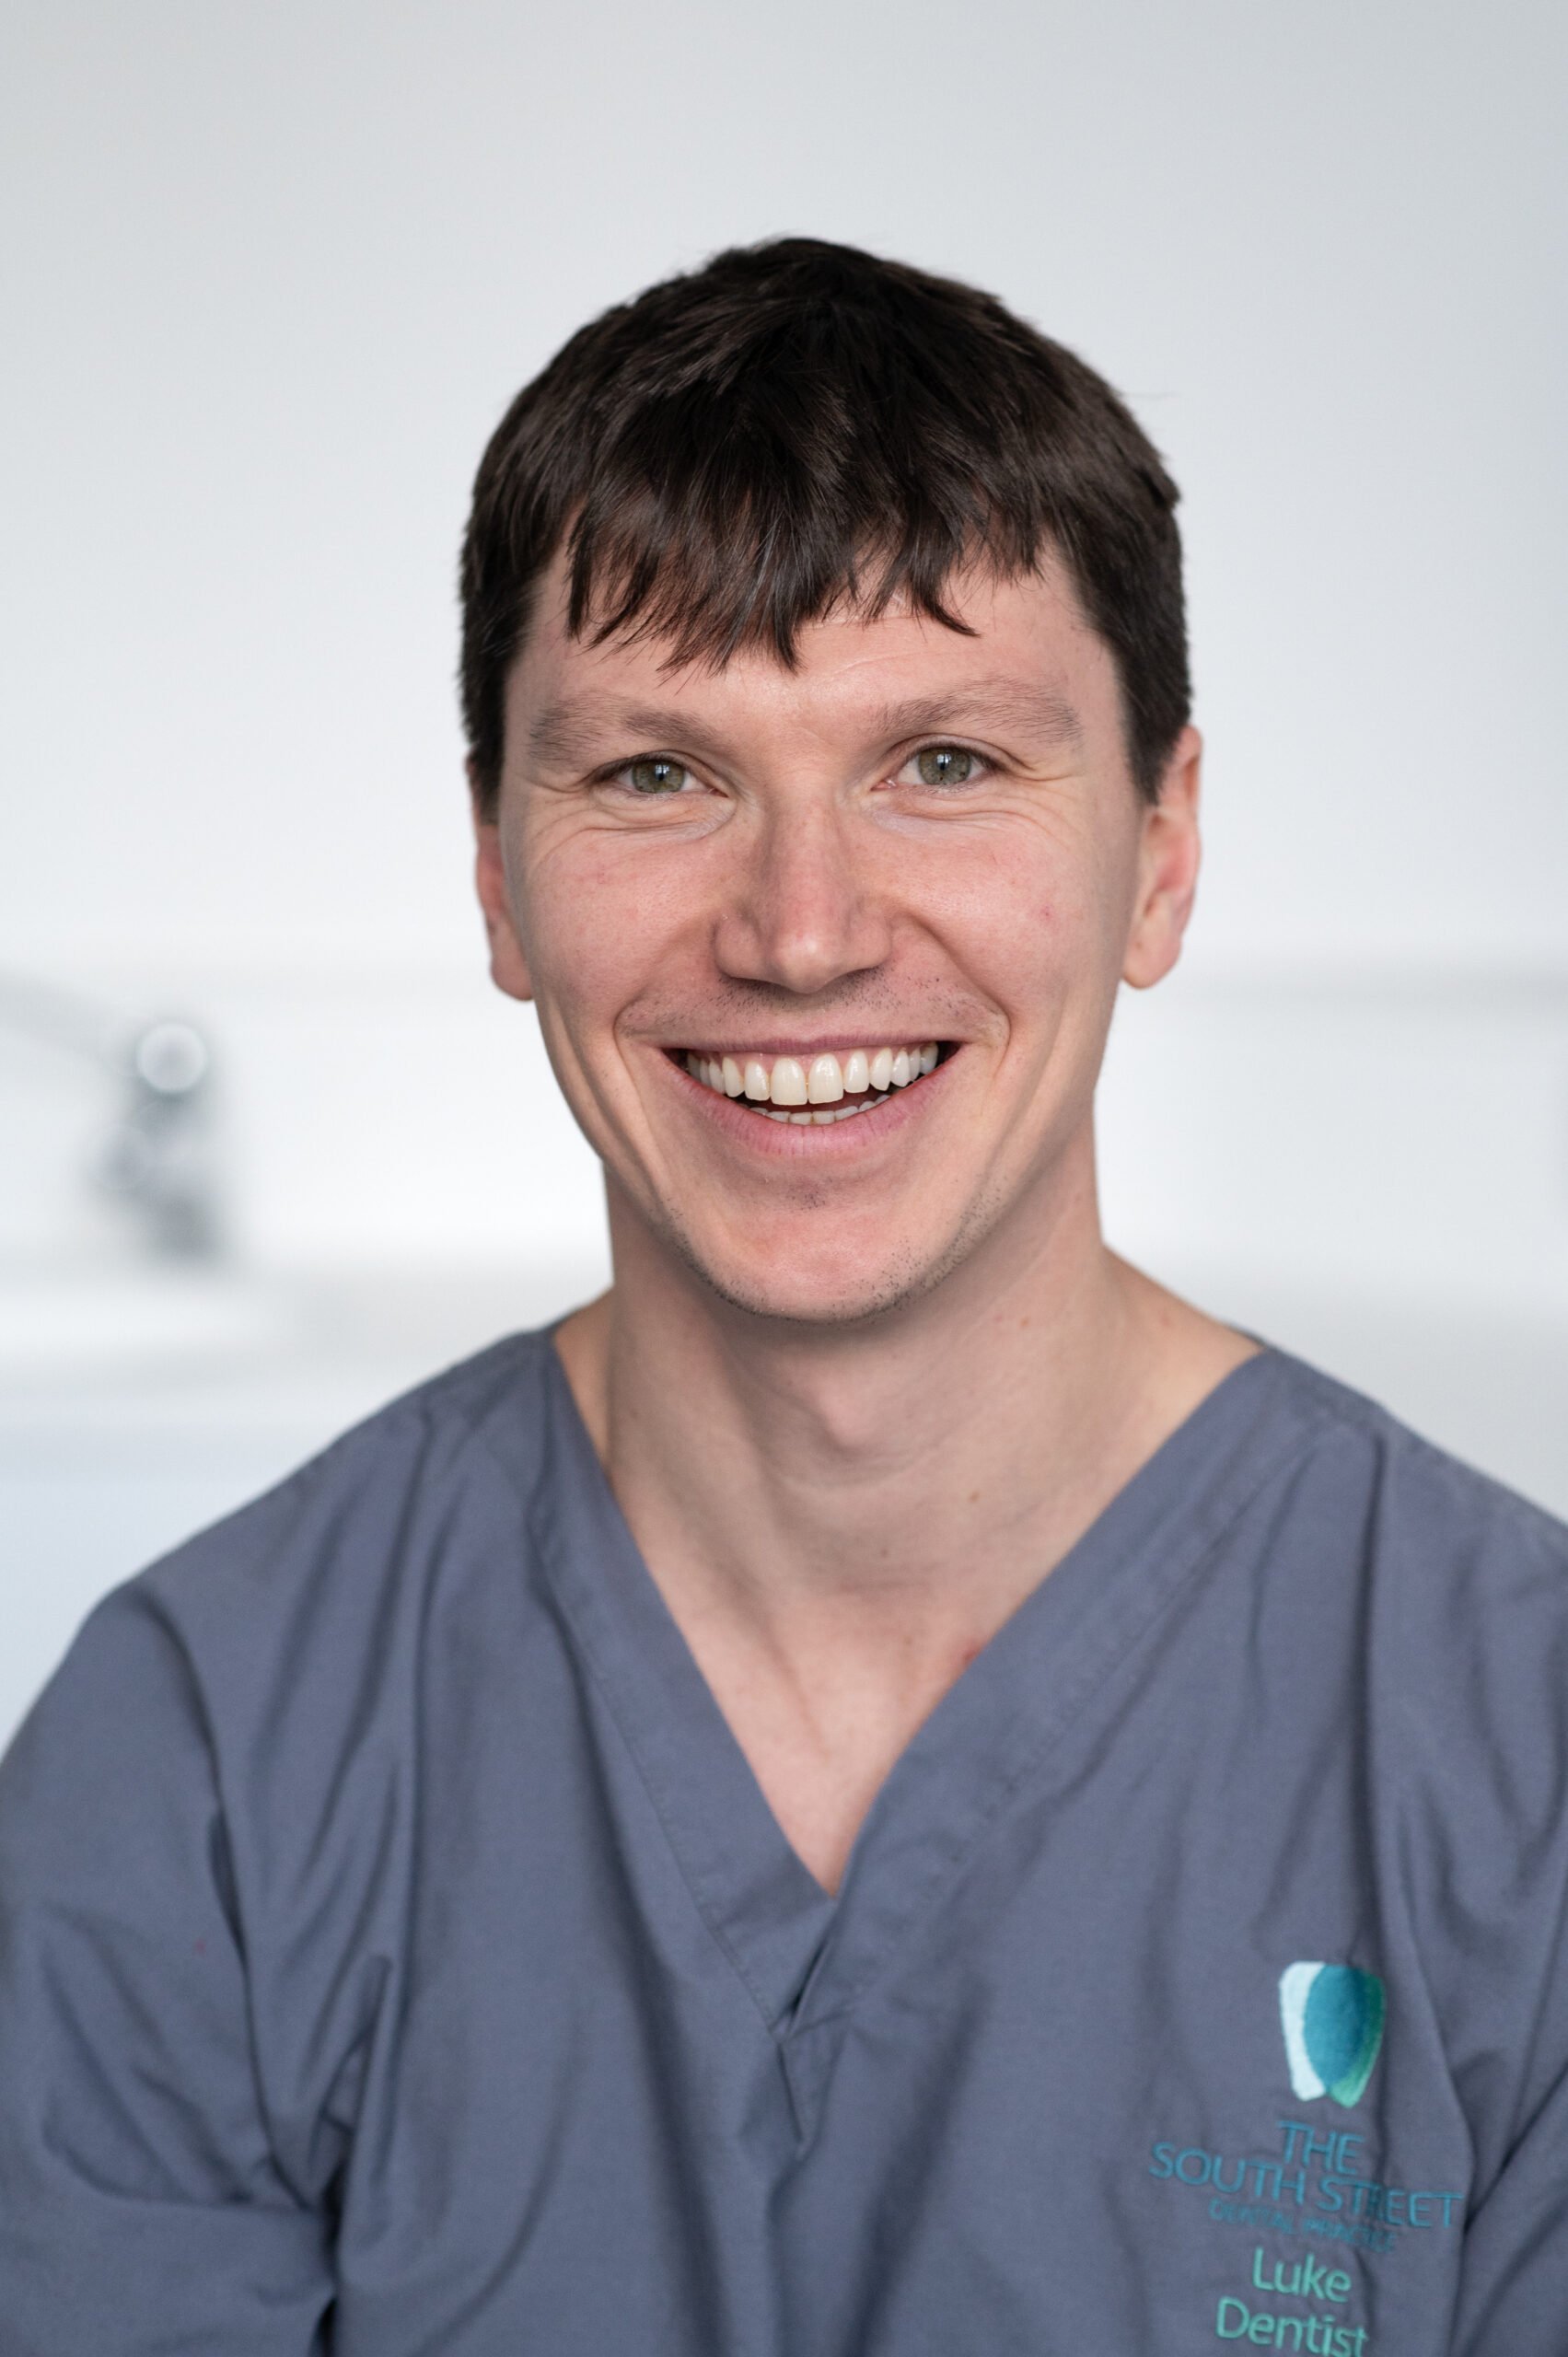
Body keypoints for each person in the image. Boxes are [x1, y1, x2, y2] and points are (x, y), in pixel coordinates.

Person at [1, 239, 1564, 2357]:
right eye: (658, 772)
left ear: (1165, 847)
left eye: (944, 762)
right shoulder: (197, 1763)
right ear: (494, 874)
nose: (803, 932)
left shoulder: (1518, 1757)